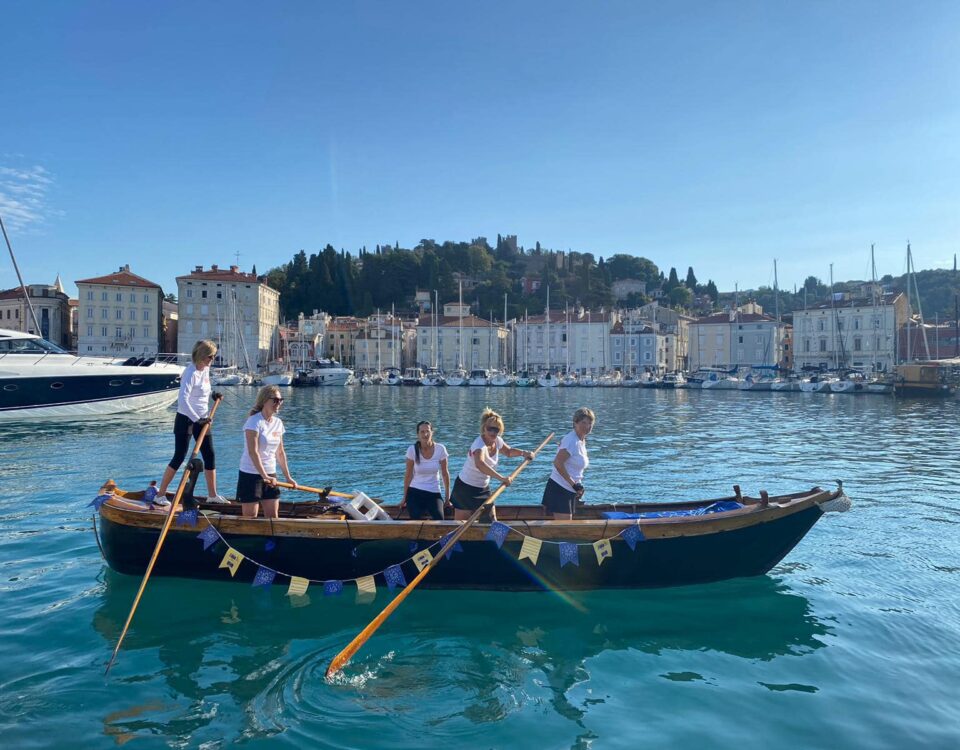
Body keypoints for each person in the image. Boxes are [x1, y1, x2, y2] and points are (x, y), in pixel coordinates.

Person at [155, 339, 226, 506]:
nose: (212, 360)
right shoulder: (190, 372)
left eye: (214, 356)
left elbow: (202, 392)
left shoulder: (205, 369)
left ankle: (212, 495)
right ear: (202, 355)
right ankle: (160, 495)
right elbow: (183, 400)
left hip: (202, 418)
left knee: (210, 455)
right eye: (210, 356)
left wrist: (213, 395)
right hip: (185, 419)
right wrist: (197, 419)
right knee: (179, 456)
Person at [450, 408, 533, 522]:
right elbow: (480, 465)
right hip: (465, 489)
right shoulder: (479, 446)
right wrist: (501, 478)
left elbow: (509, 452)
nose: (493, 433)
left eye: (496, 429)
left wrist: (524, 453)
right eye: (490, 429)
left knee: (492, 520)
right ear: (484, 428)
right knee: (460, 525)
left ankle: (492, 540)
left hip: (483, 488)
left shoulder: (497, 441)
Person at [236, 385, 297, 519]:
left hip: (270, 473)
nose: (278, 403)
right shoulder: (254, 422)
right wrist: (264, 476)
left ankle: (271, 540)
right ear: (265, 401)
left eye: (281, 400)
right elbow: (253, 452)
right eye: (275, 400)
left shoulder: (278, 423)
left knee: (273, 518)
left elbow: (280, 452)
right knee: (250, 519)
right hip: (251, 474)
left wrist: (288, 477)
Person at [542, 407, 595, 520]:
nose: (587, 426)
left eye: (590, 423)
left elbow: (574, 468)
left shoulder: (581, 441)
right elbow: (558, 463)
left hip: (570, 490)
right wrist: (573, 484)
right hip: (559, 489)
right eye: (583, 423)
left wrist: (578, 486)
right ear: (575, 423)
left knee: (566, 526)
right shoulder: (571, 440)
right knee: (564, 529)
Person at [400, 420, 451, 520]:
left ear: (432, 432)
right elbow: (408, 475)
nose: (425, 434)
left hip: (434, 492)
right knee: (415, 516)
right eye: (422, 432)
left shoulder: (441, 449)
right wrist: (404, 498)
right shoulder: (412, 450)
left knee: (439, 519)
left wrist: (447, 498)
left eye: (427, 431)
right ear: (418, 434)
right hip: (415, 491)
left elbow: (445, 474)